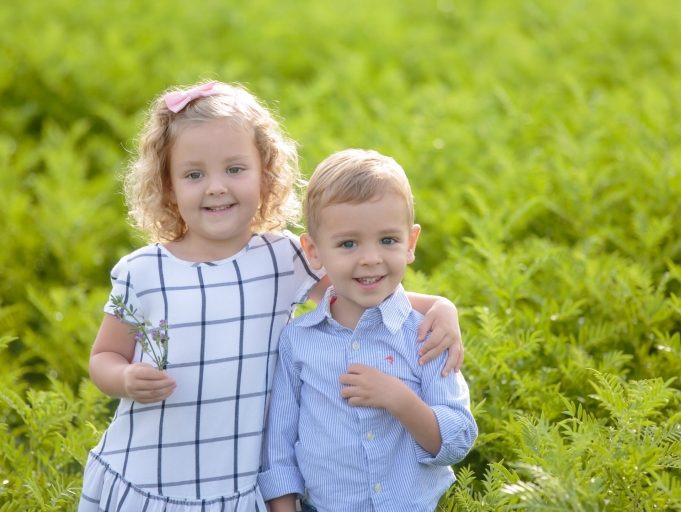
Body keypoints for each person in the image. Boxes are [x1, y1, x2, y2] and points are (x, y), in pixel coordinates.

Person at [78, 82, 465, 512]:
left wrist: (441, 308)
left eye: (235, 169)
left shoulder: (282, 257)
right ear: (167, 186)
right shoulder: (144, 271)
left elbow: (362, 291)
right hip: (151, 472)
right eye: (193, 175)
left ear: (266, 175)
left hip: (237, 482)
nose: (216, 187)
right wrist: (125, 380)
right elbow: (104, 357)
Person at [259, 149, 478, 512]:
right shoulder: (298, 341)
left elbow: (457, 440)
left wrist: (400, 399)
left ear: (410, 243)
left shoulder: (425, 333)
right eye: (348, 244)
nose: (371, 258)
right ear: (314, 253)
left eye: (388, 240)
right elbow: (278, 446)